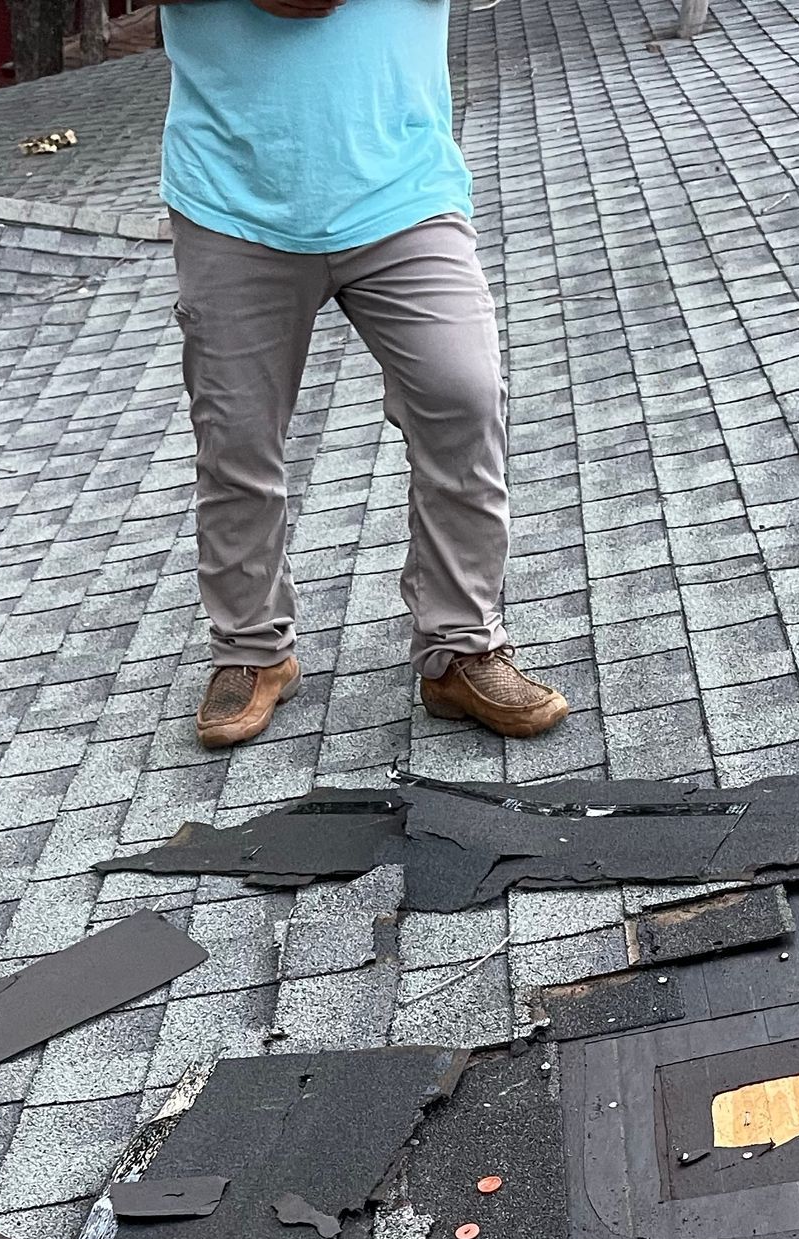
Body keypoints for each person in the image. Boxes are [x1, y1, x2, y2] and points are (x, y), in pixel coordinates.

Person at [157, 0, 570, 749]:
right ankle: (252, 651)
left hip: (401, 186)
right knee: (236, 437)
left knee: (463, 395)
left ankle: (459, 649)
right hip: (230, 195)